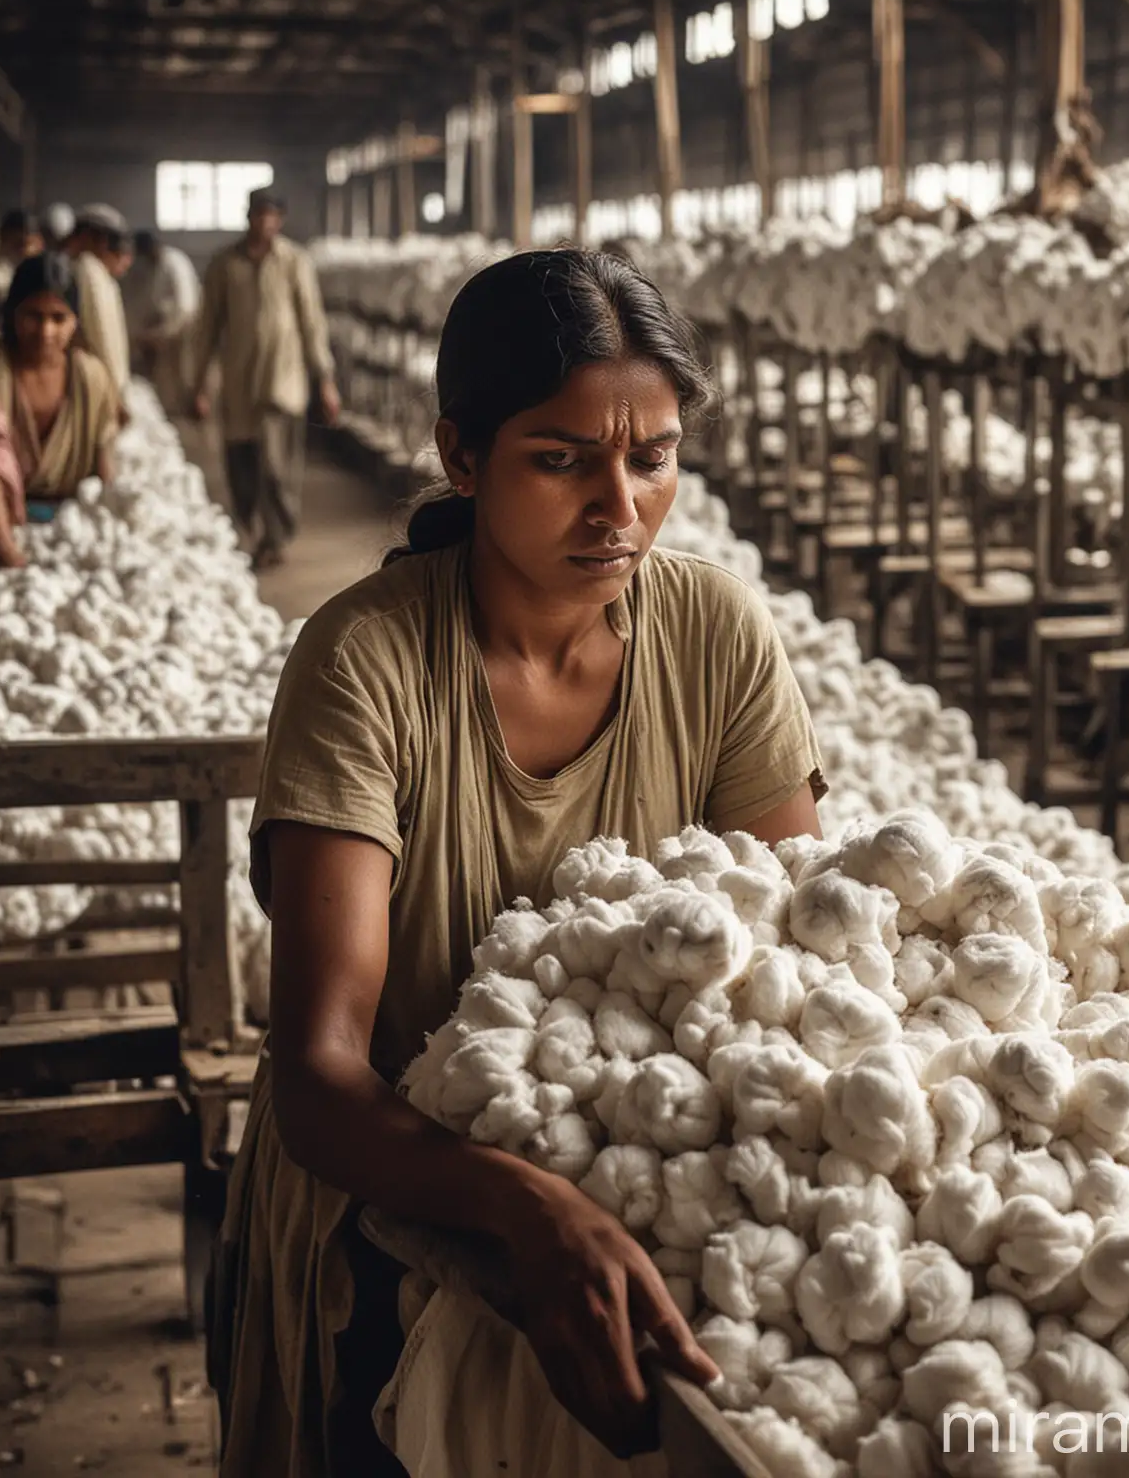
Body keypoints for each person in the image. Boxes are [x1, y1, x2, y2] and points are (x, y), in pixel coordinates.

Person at [208, 249, 825, 1477]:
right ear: (461, 455)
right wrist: (526, 1206)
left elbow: (799, 973)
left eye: (651, 457)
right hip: (392, 1194)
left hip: (639, 1174)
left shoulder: (715, 631)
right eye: (561, 459)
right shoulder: (365, 664)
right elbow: (324, 1072)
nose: (619, 505)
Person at [191, 187, 340, 568]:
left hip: (281, 381)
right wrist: (199, 383)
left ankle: (275, 539)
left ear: (281, 220)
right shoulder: (225, 264)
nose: (265, 222)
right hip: (240, 383)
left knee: (277, 467)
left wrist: (324, 378)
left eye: (272, 216)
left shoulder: (294, 261)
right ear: (248, 217)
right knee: (241, 462)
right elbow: (208, 325)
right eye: (259, 215)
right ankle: (251, 530)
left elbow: (311, 322)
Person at [0, 253, 120, 568]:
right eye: (33, 316)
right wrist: (4, 547)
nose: (46, 331)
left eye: (59, 318)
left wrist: (107, 527)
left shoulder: (90, 378)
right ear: (12, 314)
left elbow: (103, 463)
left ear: (76, 322)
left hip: (67, 526)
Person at [123, 229, 201, 418]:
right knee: (166, 381)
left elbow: (185, 308)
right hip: (163, 331)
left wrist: (161, 335)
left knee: (186, 375)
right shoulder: (150, 267)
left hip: (185, 330)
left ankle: (194, 414)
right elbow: (146, 302)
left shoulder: (175, 263)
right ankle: (174, 418)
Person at [64, 202, 132, 400]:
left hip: (103, 386)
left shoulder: (96, 273)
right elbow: (100, 335)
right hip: (95, 386)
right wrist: (115, 391)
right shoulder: (88, 270)